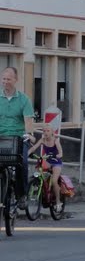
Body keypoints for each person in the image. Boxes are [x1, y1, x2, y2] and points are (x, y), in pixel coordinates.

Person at [0, 66, 34, 208]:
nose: (5, 81)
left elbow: (28, 121)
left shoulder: (24, 99)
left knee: (23, 162)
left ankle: (22, 195)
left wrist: (29, 135)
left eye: (8, 79)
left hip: (18, 138)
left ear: (16, 80)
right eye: (3, 78)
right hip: (1, 138)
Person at [31, 122, 63, 206]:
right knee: (39, 172)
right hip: (48, 160)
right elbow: (34, 147)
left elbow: (61, 153)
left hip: (56, 162)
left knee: (54, 180)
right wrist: (27, 153)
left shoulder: (56, 141)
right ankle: (42, 190)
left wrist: (56, 156)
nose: (45, 133)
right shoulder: (42, 140)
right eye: (44, 131)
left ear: (52, 132)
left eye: (48, 131)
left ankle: (58, 201)